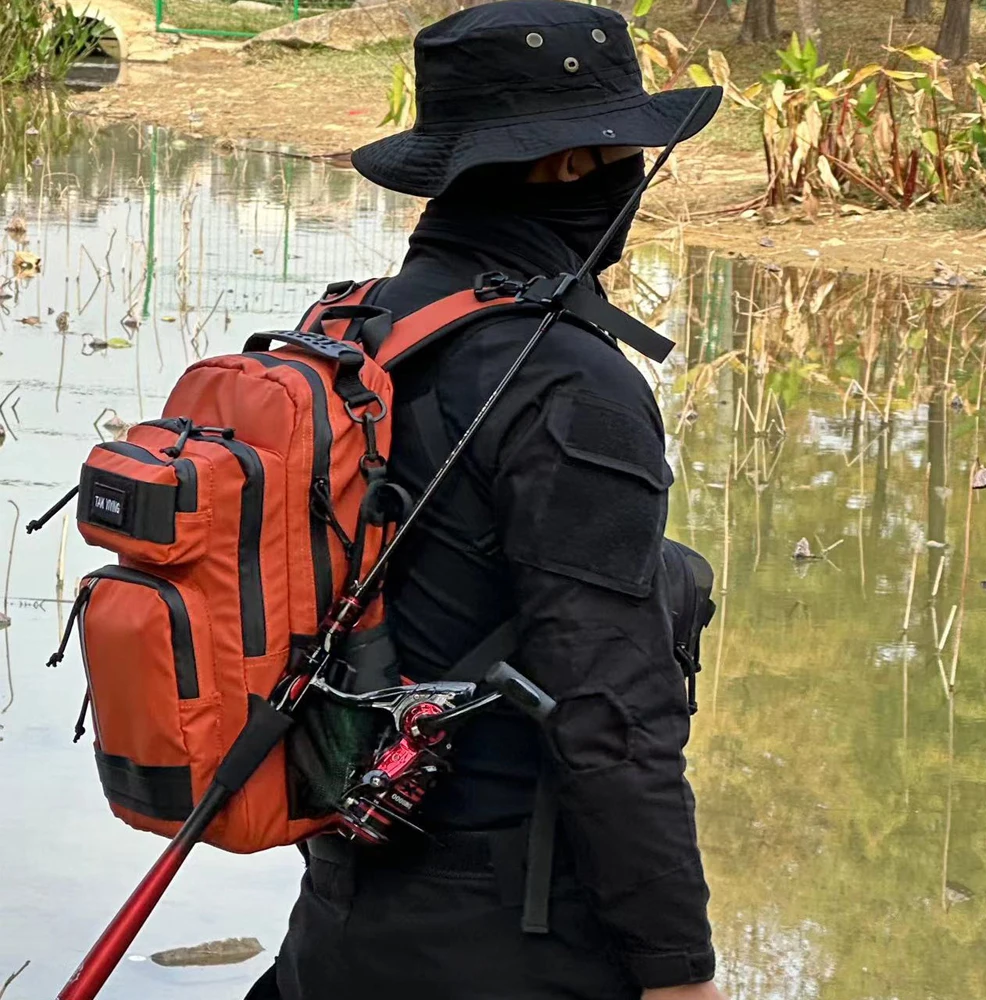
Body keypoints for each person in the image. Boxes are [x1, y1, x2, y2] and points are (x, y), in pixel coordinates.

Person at [251, 2, 726, 998]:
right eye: (624, 153)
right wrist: (677, 966)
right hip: (509, 937)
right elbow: (609, 709)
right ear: (570, 165)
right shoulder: (568, 381)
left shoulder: (357, 329)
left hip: (341, 916)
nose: (631, 179)